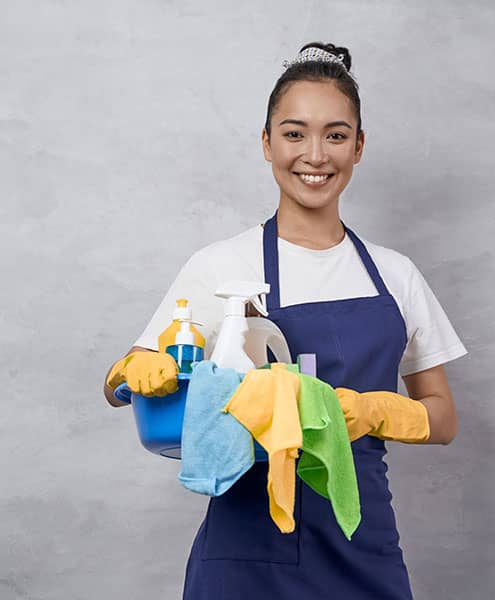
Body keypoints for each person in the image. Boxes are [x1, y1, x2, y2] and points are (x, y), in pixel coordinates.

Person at [104, 41, 468, 600]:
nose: (315, 155)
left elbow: (443, 419)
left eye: (336, 135)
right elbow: (131, 381)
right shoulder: (222, 264)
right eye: (294, 133)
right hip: (248, 548)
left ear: (359, 146)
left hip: (360, 541)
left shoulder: (397, 275)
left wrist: (377, 411)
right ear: (267, 142)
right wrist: (133, 368)